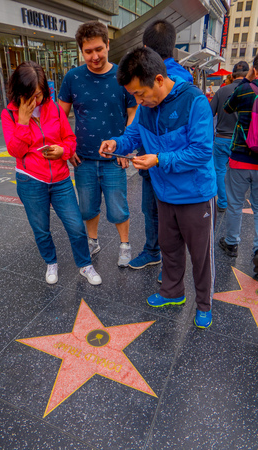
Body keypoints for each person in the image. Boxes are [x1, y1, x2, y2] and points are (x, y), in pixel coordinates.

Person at [99, 47, 217, 328]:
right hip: (164, 194)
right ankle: (172, 292)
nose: (138, 100)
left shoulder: (195, 102)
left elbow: (201, 151)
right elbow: (133, 134)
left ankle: (204, 303)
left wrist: (160, 159)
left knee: (201, 256)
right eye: (134, 96)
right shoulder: (146, 107)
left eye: (140, 93)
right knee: (169, 247)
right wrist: (117, 143)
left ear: (160, 80)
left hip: (195, 195)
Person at [1, 61, 102, 286]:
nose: (35, 100)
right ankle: (51, 262)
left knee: (76, 226)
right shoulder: (9, 113)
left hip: (60, 178)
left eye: (39, 94)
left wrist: (62, 151)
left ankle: (85, 265)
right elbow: (15, 150)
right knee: (41, 229)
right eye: (30, 95)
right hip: (30, 180)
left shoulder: (54, 108)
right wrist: (23, 121)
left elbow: (70, 139)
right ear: (19, 91)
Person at [58, 21, 137, 267]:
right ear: (81, 50)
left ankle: (125, 244)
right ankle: (93, 241)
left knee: (118, 207)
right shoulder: (72, 77)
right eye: (88, 51)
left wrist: (125, 147)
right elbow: (60, 117)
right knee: (87, 208)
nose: (94, 56)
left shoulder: (123, 76)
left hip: (115, 158)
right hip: (83, 158)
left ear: (108, 44)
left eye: (99, 49)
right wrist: (67, 148)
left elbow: (133, 113)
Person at [128, 19, 193, 272]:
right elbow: (136, 128)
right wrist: (122, 142)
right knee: (160, 212)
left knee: (162, 213)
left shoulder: (168, 81)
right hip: (161, 160)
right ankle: (159, 256)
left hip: (161, 160)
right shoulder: (186, 77)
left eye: (141, 94)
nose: (140, 99)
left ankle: (164, 260)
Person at [218, 55, 258, 276]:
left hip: (241, 158)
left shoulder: (244, 90)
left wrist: (246, 80)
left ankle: (232, 242)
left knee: (234, 203)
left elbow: (226, 107)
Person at [210, 61, 249, 212]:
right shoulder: (251, 90)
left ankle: (223, 203)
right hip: (241, 140)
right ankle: (235, 204)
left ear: (232, 76)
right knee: (237, 172)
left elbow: (209, 113)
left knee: (219, 171)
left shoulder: (221, 91)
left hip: (221, 138)